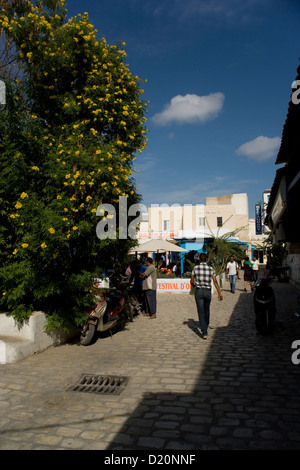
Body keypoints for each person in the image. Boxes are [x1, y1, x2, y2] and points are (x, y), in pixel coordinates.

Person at [191, 253, 223, 339]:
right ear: (207, 259)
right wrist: (219, 292)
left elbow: (191, 280)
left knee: (201, 311)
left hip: (199, 291)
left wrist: (195, 286)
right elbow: (215, 281)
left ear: (199, 259)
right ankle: (206, 324)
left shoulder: (196, 268)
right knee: (207, 309)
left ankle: (204, 331)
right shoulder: (210, 269)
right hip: (208, 291)